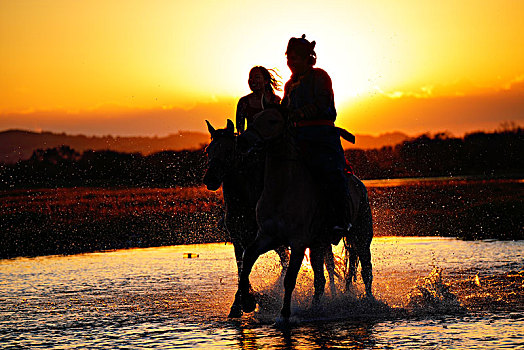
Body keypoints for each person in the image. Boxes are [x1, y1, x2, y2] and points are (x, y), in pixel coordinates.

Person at [281, 34, 351, 243]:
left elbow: (324, 106)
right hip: (296, 138)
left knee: (332, 173)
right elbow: (285, 110)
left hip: (321, 137)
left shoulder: (320, 77)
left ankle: (341, 219)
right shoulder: (289, 84)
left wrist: (301, 113)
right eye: (289, 58)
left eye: (295, 58)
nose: (291, 63)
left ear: (307, 59)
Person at [236, 66, 282, 134]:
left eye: (257, 77)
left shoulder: (275, 100)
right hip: (251, 141)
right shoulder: (243, 102)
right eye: (250, 77)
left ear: (266, 81)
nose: (252, 80)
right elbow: (240, 129)